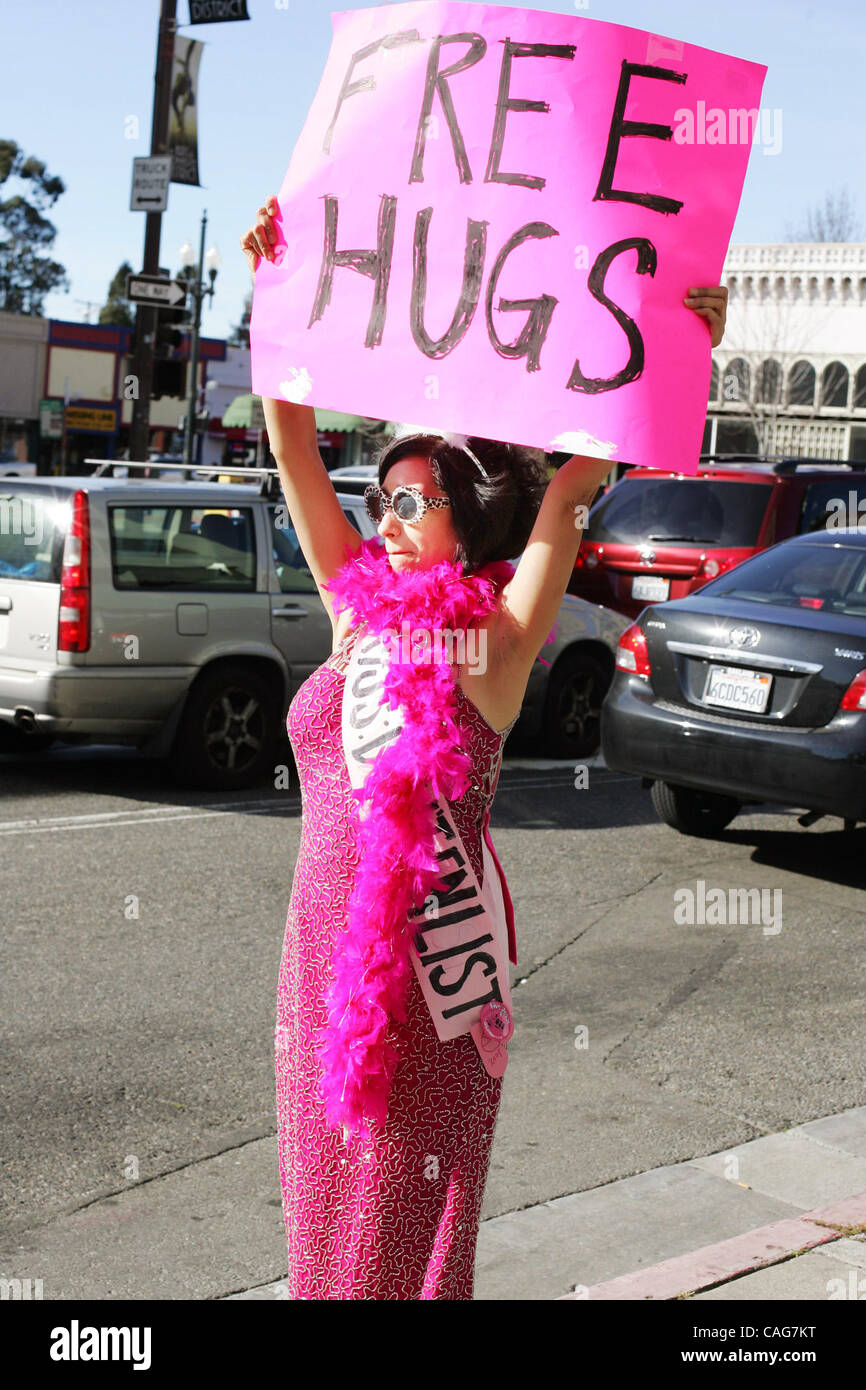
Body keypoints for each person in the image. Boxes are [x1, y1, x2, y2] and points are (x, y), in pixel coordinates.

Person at [241, 195, 728, 1300]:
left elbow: (571, 486)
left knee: (404, 1230)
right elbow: (290, 438)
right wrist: (276, 284)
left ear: (467, 522)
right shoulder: (353, 612)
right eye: (385, 496)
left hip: (427, 974)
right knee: (320, 1208)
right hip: (318, 958)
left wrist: (677, 333)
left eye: (416, 499)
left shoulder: (493, 648)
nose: (389, 513)